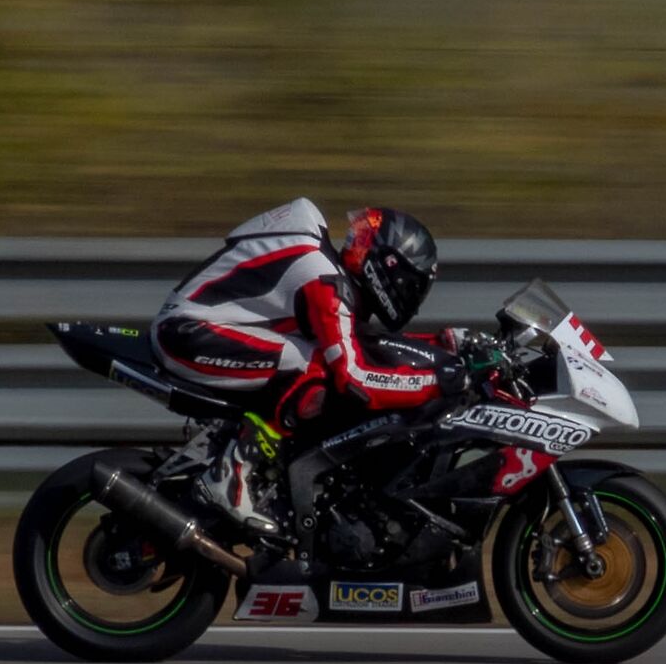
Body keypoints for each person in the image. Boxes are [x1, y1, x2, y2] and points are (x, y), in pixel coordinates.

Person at [150, 198, 468, 530]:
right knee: (313, 365)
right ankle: (230, 477)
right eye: (412, 286)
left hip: (207, 330)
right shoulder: (325, 282)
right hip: (187, 334)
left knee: (315, 362)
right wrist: (437, 382)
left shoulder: (328, 272)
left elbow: (360, 341)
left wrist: (441, 343)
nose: (412, 298)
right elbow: (358, 379)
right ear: (388, 268)